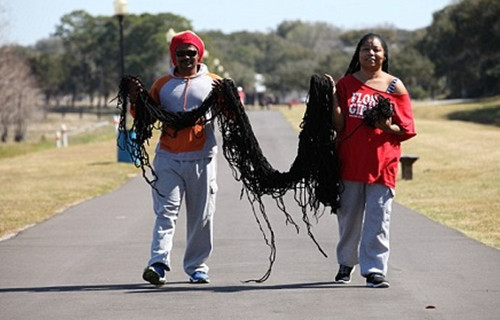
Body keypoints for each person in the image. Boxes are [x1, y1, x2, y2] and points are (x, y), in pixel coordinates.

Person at [130, 30, 221, 285]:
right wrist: (136, 100)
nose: (186, 58)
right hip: (168, 158)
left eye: (191, 53)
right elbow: (145, 116)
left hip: (202, 158)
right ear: (174, 56)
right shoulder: (162, 84)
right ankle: (157, 263)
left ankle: (197, 267)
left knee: (201, 216)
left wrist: (232, 101)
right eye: (181, 53)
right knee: (165, 212)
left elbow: (232, 115)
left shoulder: (214, 82)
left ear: (198, 54)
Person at [327, 33, 416, 288]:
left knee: (378, 219)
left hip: (382, 165)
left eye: (376, 49)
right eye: (366, 49)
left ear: (384, 55)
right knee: (348, 217)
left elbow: (407, 128)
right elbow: (339, 124)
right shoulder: (346, 84)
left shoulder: (394, 86)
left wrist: (386, 127)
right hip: (349, 163)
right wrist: (333, 98)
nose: (371, 53)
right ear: (358, 54)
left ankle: (374, 270)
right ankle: (346, 263)